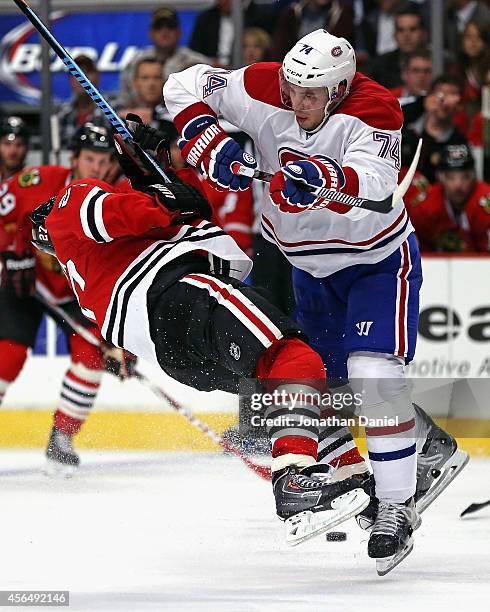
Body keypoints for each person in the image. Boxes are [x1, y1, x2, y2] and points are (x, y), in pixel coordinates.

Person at [163, 28, 468, 572]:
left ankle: (396, 509)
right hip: (307, 267)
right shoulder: (263, 86)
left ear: (339, 89)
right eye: (291, 86)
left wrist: (325, 181)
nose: (295, 101)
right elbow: (182, 85)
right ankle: (426, 444)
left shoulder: (376, 109)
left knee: (373, 377)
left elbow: (374, 193)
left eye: (310, 94)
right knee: (329, 390)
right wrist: (210, 143)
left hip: (375, 261)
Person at [30, 128, 370, 546]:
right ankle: (294, 481)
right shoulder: (69, 202)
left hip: (174, 352)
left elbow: (165, 216)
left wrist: (149, 173)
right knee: (294, 360)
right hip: (179, 292)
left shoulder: (90, 276)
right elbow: (131, 214)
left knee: (288, 385)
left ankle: (355, 481)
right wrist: (163, 199)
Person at [0, 123, 131, 477]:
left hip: (77, 292)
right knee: (6, 359)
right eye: (89, 159)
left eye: (104, 161)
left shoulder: (114, 202)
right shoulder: (37, 182)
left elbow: (120, 267)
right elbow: (3, 216)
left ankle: (61, 439)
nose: (97, 168)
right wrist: (11, 253)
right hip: (25, 285)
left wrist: (120, 342)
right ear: (73, 158)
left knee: (91, 356)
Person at [118, 8, 209, 107]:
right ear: (151, 33)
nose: (164, 31)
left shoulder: (199, 63)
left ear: (179, 32)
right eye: (159, 27)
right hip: (141, 118)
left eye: (170, 27)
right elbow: (124, 102)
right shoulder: (135, 63)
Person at [409, 144, 490, 251]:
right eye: (451, 177)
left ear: (474, 176)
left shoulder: (484, 204)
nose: (458, 185)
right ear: (439, 177)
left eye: (465, 177)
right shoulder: (425, 207)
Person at [417, 76, 469, 182]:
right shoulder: (410, 131)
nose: (445, 101)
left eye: (452, 94)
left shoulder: (459, 141)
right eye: (441, 94)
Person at [56, 55, 113, 148]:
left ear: (98, 77)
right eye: (75, 73)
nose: (81, 78)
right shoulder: (62, 113)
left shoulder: (114, 108)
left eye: (87, 72)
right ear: (70, 80)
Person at [367, 6, 427, 89]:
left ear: (423, 33)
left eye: (413, 29)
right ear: (394, 35)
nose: (406, 36)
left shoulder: (438, 63)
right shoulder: (379, 67)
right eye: (401, 30)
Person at [0, 116, 29, 181]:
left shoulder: (36, 182)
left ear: (27, 148)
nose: (12, 151)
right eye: (7, 144)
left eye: (19, 145)